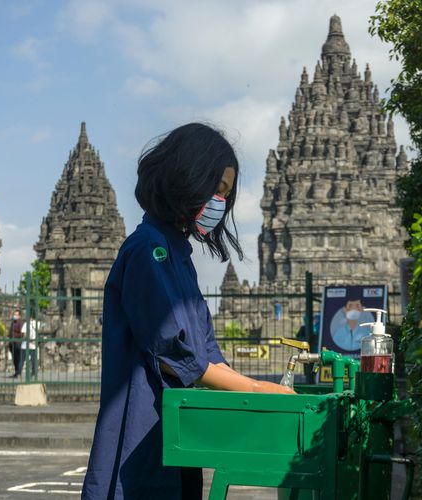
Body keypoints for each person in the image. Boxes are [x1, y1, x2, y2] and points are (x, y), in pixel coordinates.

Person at [82, 123, 294, 500]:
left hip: (178, 428)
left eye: (225, 195)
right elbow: (173, 357)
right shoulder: (148, 250)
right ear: (187, 178)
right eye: (217, 190)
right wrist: (259, 390)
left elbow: (208, 353)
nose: (220, 203)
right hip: (141, 426)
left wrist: (263, 398)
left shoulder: (178, 255)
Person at [19, 313, 38, 379]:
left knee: (22, 360)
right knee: (33, 361)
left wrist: (28, 339)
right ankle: (33, 373)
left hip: (26, 345)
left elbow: (24, 334)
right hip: (31, 345)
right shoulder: (37, 323)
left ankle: (19, 373)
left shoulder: (26, 324)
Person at [9, 309, 23, 378]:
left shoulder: (20, 323)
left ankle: (18, 372)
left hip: (18, 343)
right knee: (14, 359)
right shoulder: (13, 322)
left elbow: (21, 333)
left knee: (18, 358)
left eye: (16, 314)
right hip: (12, 343)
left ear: (19, 316)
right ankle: (16, 372)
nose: (15, 316)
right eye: (14, 314)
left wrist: (15, 336)